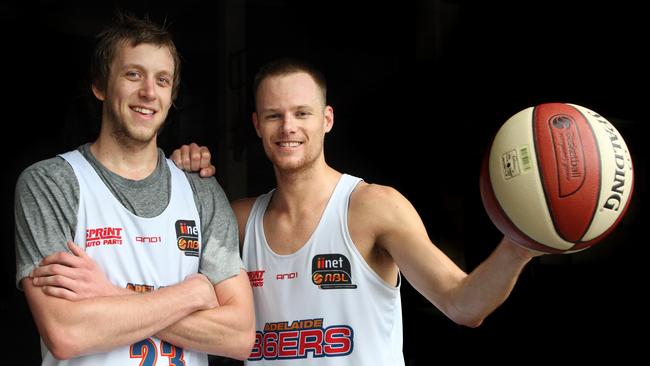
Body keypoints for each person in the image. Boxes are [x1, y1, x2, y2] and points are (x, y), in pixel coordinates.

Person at [171, 57, 540, 365]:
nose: (288, 127)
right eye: (273, 116)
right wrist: (178, 177)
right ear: (256, 125)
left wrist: (518, 246)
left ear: (327, 120)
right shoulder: (238, 221)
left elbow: (462, 303)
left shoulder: (372, 207)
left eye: (302, 113)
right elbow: (160, 278)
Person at [14, 13, 255, 365]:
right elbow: (66, 334)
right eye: (133, 74)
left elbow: (239, 336)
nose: (148, 92)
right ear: (100, 85)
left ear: (171, 98)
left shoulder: (200, 189)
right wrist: (193, 293)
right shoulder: (51, 184)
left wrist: (111, 295)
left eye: (162, 80)